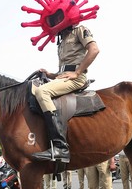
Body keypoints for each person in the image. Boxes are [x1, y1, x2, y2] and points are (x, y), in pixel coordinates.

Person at [32, 25, 100, 163]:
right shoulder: (62, 40)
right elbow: (63, 70)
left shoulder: (80, 30)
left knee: (42, 92)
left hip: (77, 78)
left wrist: (77, 72)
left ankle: (60, 147)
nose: (56, 21)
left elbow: (94, 50)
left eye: (58, 16)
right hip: (63, 77)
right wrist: (49, 74)